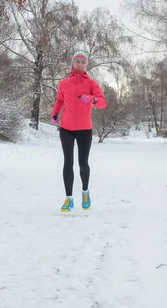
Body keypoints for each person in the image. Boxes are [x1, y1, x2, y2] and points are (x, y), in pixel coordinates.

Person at [50, 51, 107, 212]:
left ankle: (85, 192)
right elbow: (60, 101)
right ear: (72, 63)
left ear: (86, 65)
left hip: (84, 129)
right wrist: (55, 113)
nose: (80, 64)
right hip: (66, 128)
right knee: (68, 162)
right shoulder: (64, 83)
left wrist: (91, 99)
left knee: (83, 163)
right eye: (78, 61)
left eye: (83, 61)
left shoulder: (91, 83)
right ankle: (69, 199)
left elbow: (103, 102)